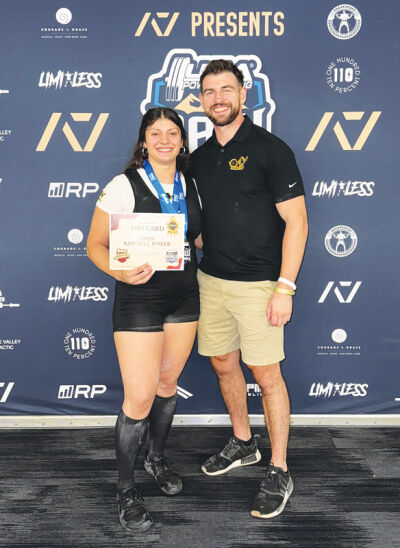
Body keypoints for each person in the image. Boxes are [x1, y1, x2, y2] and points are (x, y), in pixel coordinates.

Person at [190, 60, 308, 519]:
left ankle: (278, 467)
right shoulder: (197, 158)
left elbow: (296, 223)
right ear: (200, 100)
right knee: (223, 364)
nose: (218, 98)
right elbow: (201, 224)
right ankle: (244, 442)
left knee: (267, 376)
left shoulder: (270, 150)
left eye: (226, 89)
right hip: (210, 280)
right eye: (209, 91)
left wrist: (285, 287)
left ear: (244, 93)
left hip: (260, 286)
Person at [87, 108, 201, 532]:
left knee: (167, 385)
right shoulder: (123, 184)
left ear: (183, 141)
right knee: (138, 398)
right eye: (157, 133)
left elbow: (197, 236)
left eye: (173, 133)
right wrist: (118, 272)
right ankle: (125, 488)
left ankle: (156, 458)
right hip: (139, 297)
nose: (165, 140)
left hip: (184, 295)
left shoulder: (191, 184)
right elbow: (95, 244)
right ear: (143, 142)